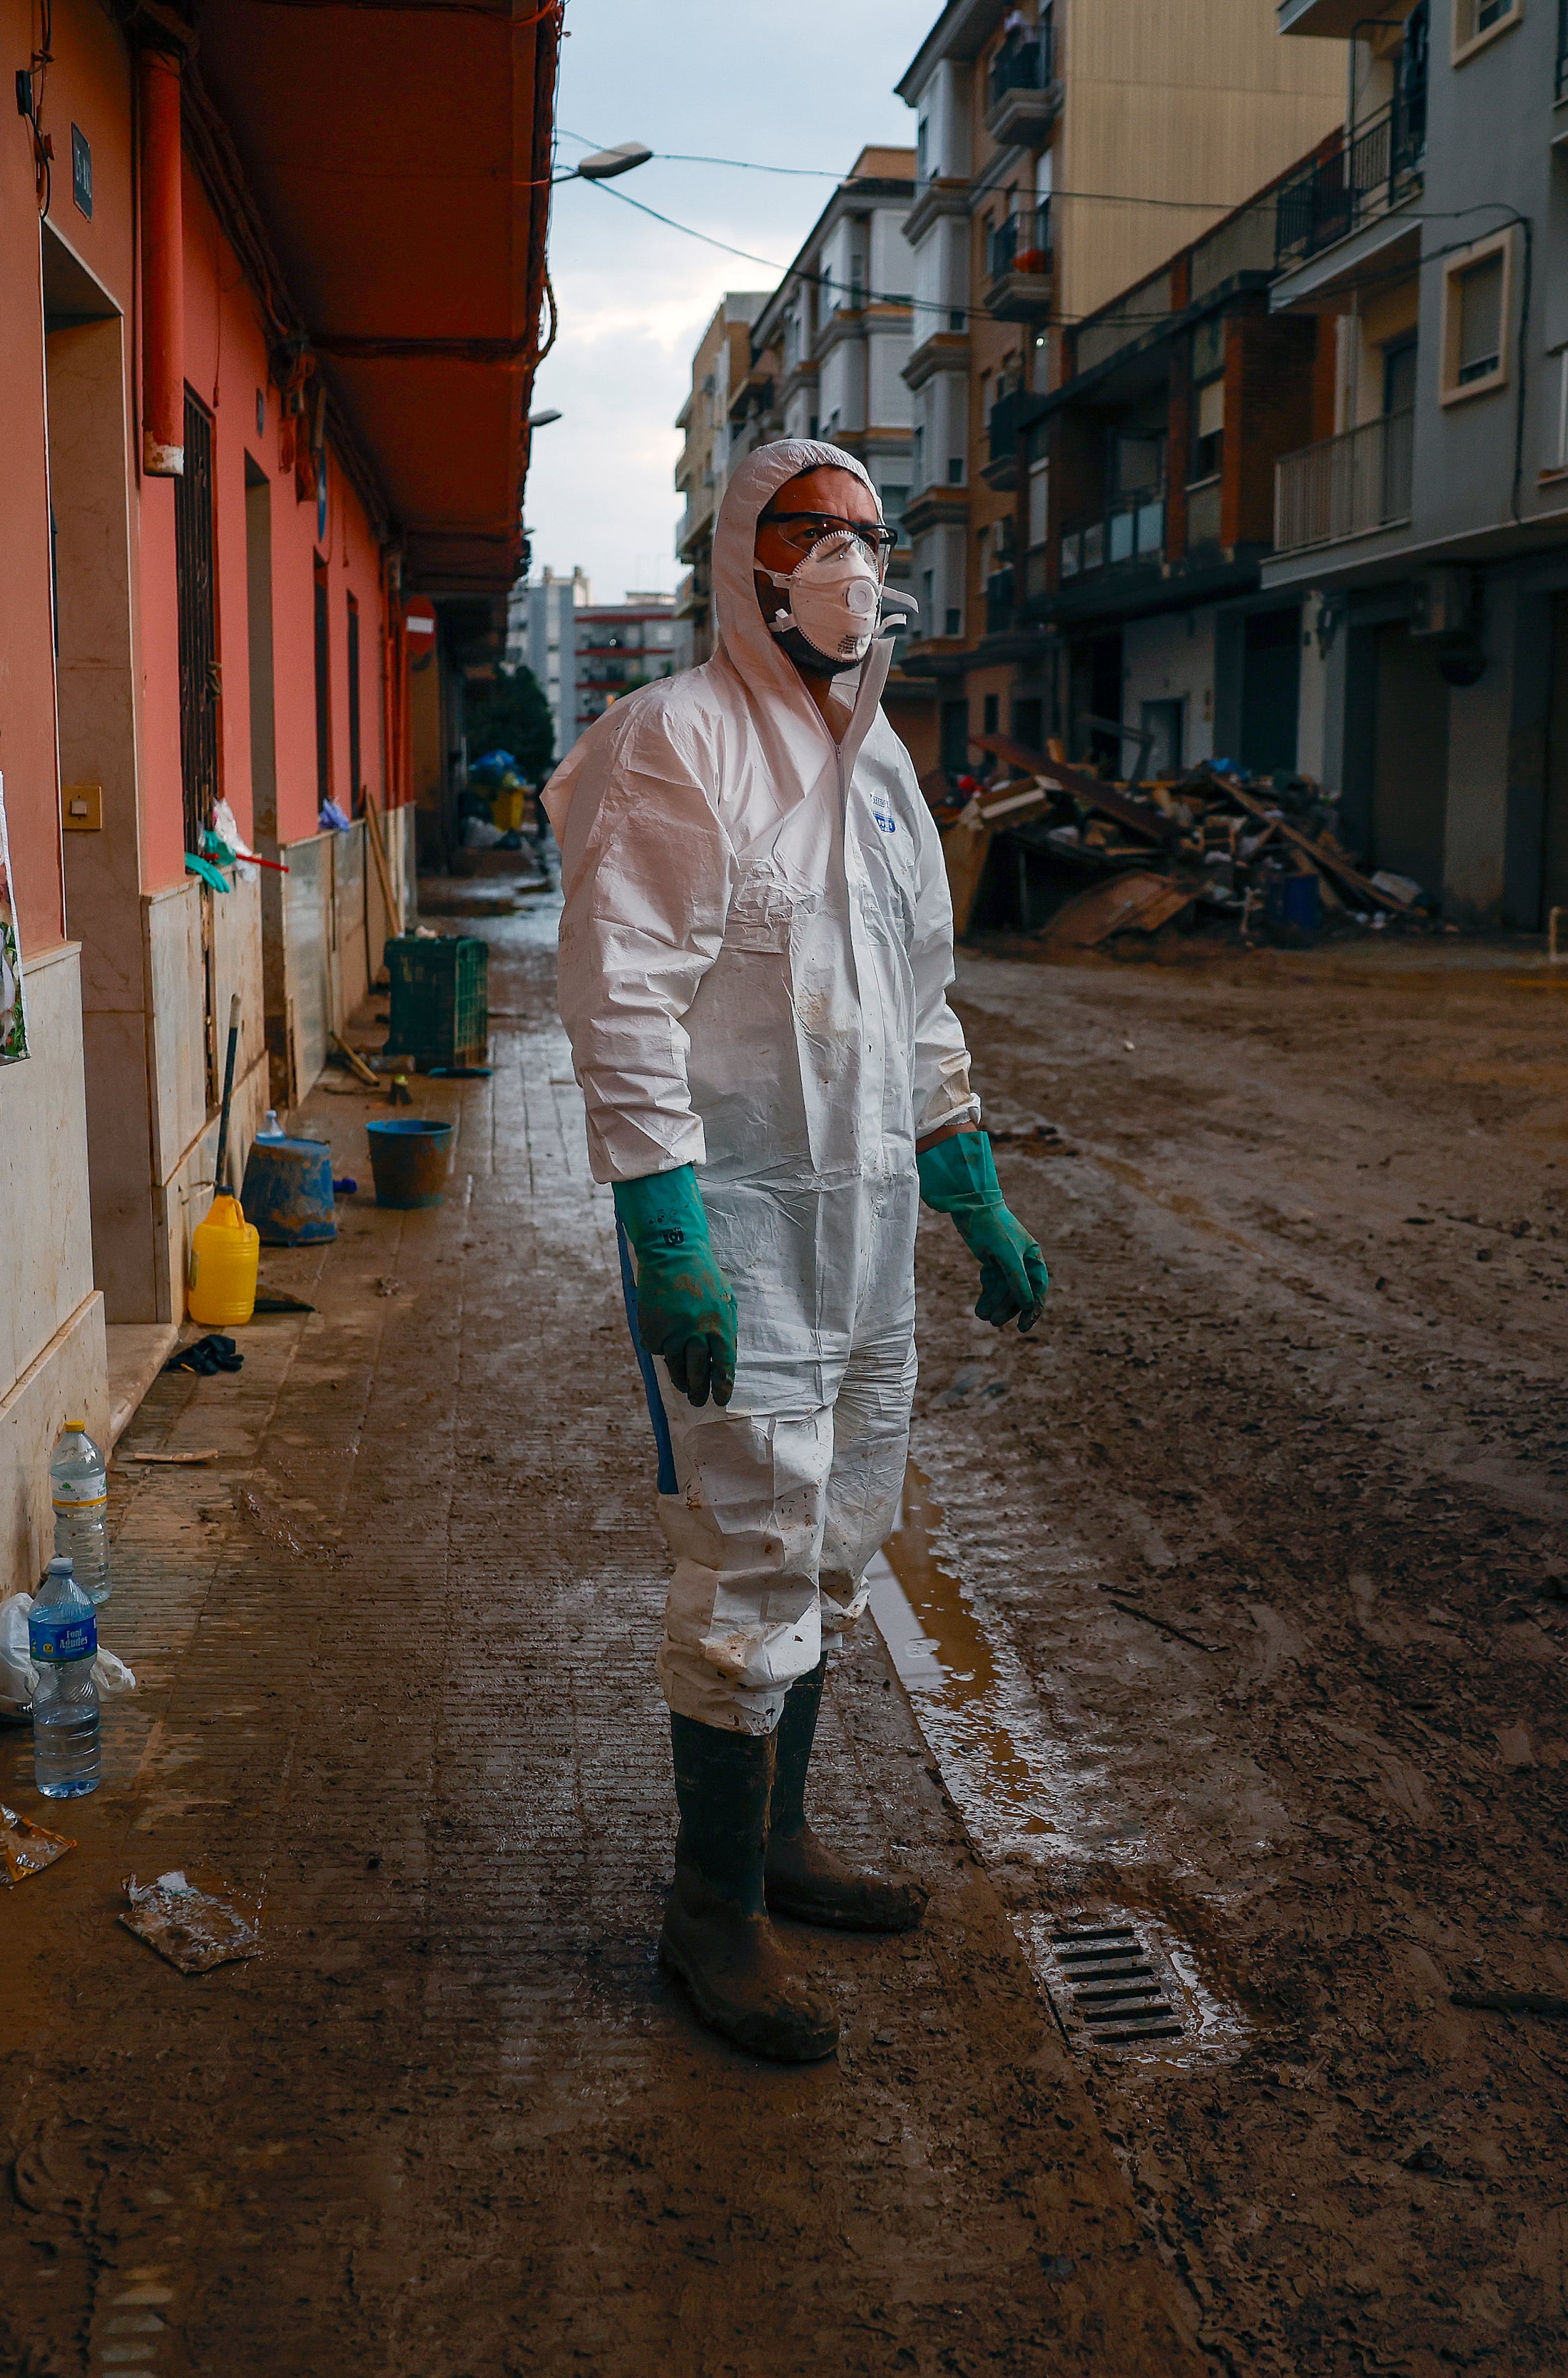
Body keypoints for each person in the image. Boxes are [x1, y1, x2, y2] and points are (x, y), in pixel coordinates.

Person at [544, 439, 1052, 2064]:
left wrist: (967, 1176)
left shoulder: (883, 757)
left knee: (835, 1538)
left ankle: (777, 1843)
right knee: (748, 1552)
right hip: (737, 1227)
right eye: (807, 529)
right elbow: (619, 990)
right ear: (742, 560)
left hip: (869, 1232)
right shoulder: (674, 740)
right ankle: (710, 1913)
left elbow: (917, 1000)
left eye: (866, 530)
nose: (846, 554)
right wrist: (660, 1217)